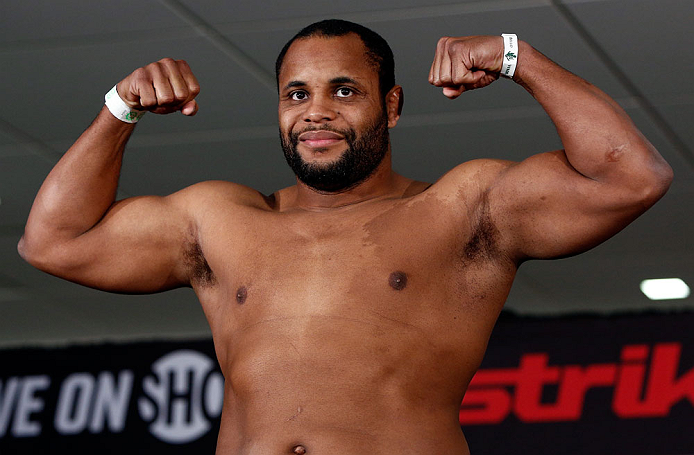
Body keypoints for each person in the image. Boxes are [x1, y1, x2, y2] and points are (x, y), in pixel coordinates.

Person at [18, 19, 672, 455]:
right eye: (296, 94)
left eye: (344, 90)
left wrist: (515, 57)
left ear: (390, 104)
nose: (316, 111)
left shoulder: (459, 208)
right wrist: (118, 110)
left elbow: (630, 176)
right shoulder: (220, 219)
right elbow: (52, 240)